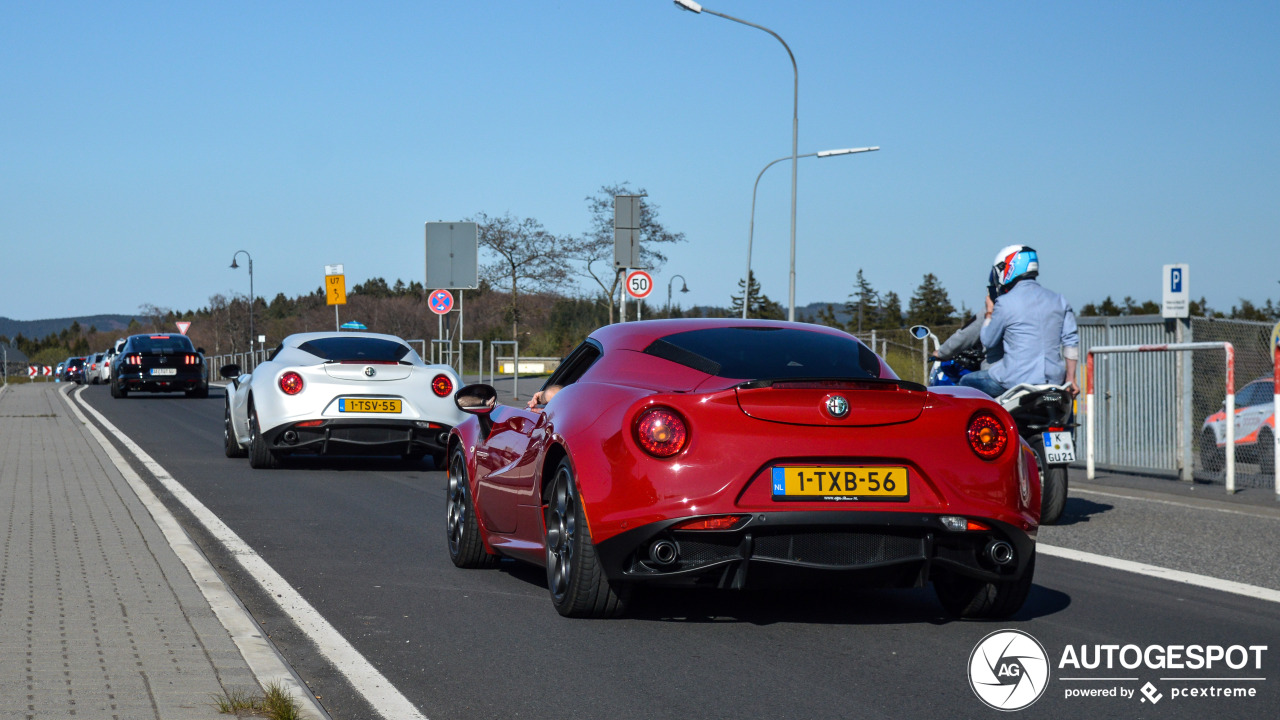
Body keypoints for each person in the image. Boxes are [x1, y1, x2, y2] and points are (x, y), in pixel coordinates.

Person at [958, 245, 1079, 398]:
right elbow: (1071, 343)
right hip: (1054, 380)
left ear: (1008, 267)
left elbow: (988, 341)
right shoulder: (1059, 300)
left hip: (1015, 380)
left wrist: (989, 312)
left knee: (965, 382)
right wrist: (1070, 379)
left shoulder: (1005, 302)